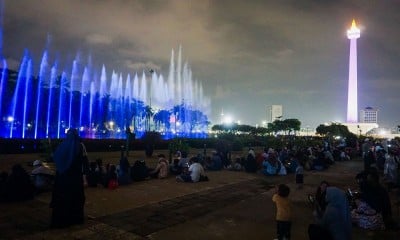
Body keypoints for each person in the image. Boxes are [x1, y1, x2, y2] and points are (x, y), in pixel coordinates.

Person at [50, 128, 86, 228]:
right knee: (75, 199)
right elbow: (83, 162)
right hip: (75, 179)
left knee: (62, 199)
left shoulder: (62, 146)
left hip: (62, 178)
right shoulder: (79, 147)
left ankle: (60, 220)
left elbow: (56, 157)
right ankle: (75, 219)